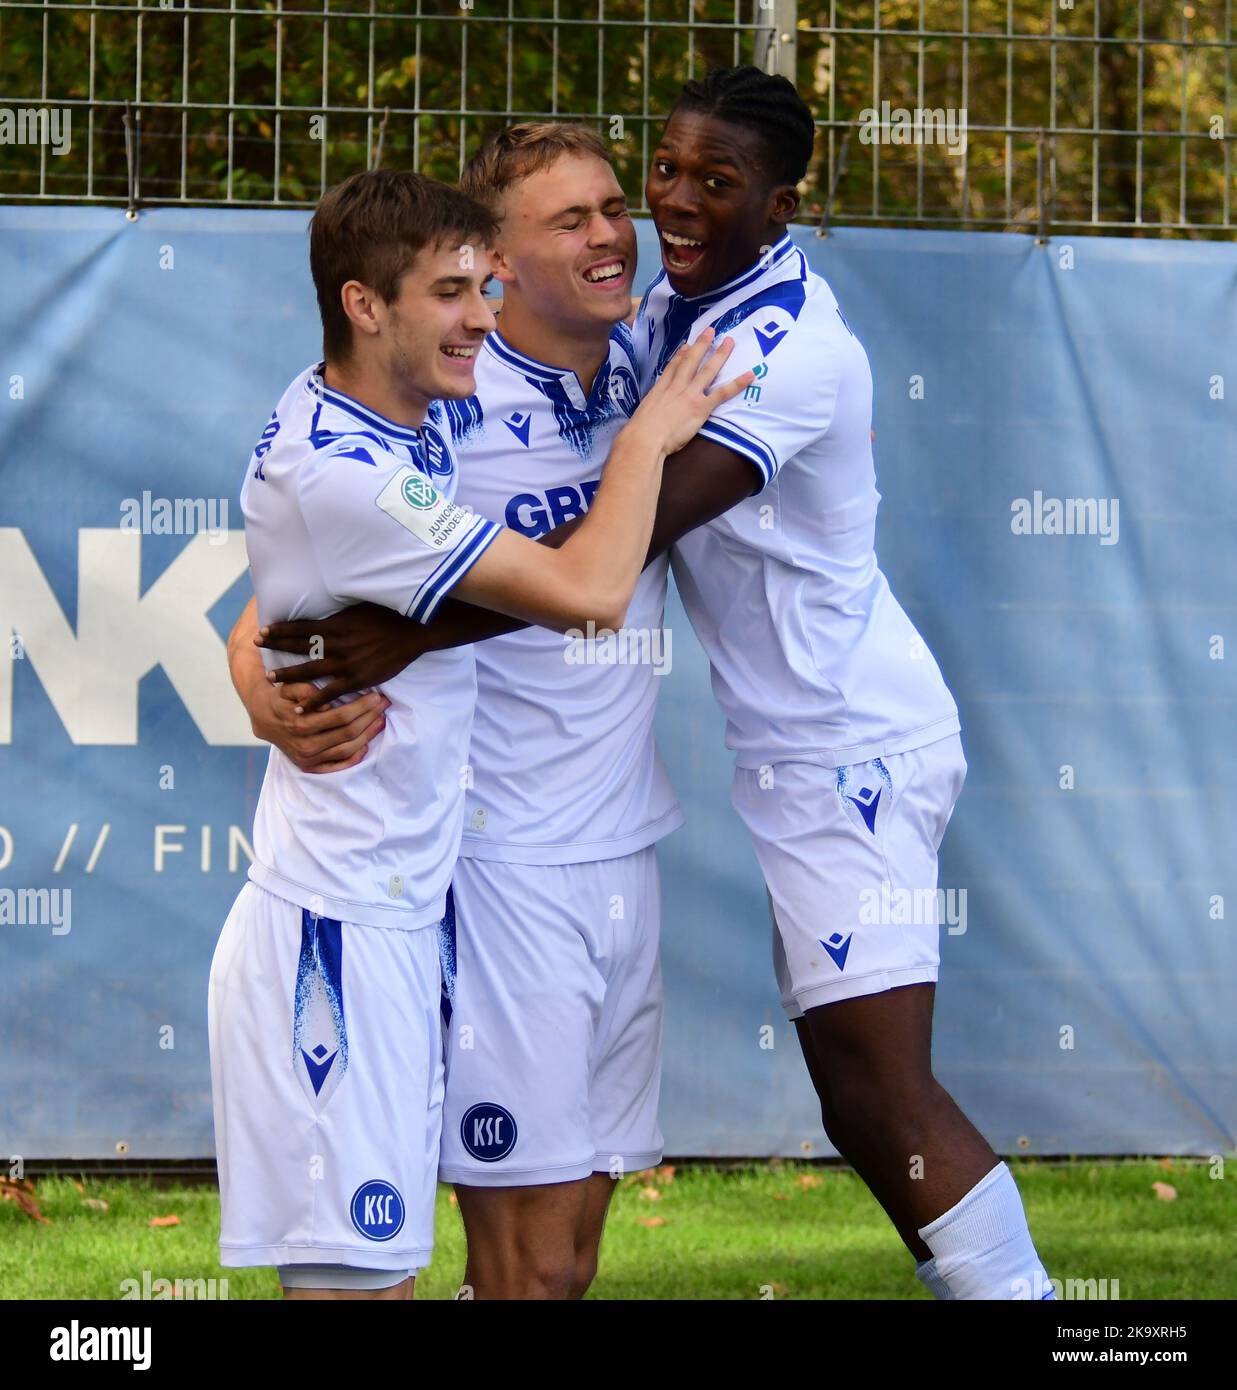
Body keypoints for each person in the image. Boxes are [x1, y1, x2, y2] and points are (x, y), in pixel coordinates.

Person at [250, 67, 1054, 1301]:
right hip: (508, 855)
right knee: (539, 1263)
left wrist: (405, 637)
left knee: (860, 1096)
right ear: (493, 262)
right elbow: (296, 563)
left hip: (805, 767)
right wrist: (256, 676)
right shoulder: (460, 390)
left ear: (779, 199)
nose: (632, 224)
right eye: (585, 213)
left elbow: (594, 575)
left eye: (623, 202)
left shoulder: (687, 354)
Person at [211, 165, 749, 1301]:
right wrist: (648, 442)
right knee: (374, 1283)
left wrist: (253, 663)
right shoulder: (370, 458)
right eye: (456, 290)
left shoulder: (394, 411)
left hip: (420, 905)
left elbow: (283, 582)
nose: (481, 317)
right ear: (369, 305)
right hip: (351, 925)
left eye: (481, 288)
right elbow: (588, 590)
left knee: (472, 1268)